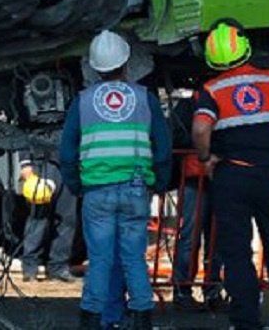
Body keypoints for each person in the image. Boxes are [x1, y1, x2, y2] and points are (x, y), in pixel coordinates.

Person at [192, 19, 269, 330]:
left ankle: (245, 321)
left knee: (236, 253)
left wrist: (206, 158)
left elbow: (201, 129)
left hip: (232, 176)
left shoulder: (212, 90)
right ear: (246, 49)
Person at [60, 30, 172, 330]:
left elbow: (67, 152)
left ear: (95, 67)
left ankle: (91, 321)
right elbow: (162, 147)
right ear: (126, 62)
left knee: (100, 260)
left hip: (97, 191)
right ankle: (142, 320)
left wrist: (76, 185)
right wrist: (159, 183)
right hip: (136, 188)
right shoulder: (145, 98)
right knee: (134, 259)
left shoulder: (83, 102)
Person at [170, 94, 224, 311]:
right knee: (192, 237)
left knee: (214, 238)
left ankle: (210, 289)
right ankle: (184, 289)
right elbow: (177, 136)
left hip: (211, 177)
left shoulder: (194, 105)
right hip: (196, 177)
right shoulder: (189, 106)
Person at [18, 122, 77, 283]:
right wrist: (25, 163)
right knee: (39, 218)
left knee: (67, 219)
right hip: (41, 162)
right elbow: (22, 126)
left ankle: (58, 268)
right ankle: (30, 267)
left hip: (69, 164)